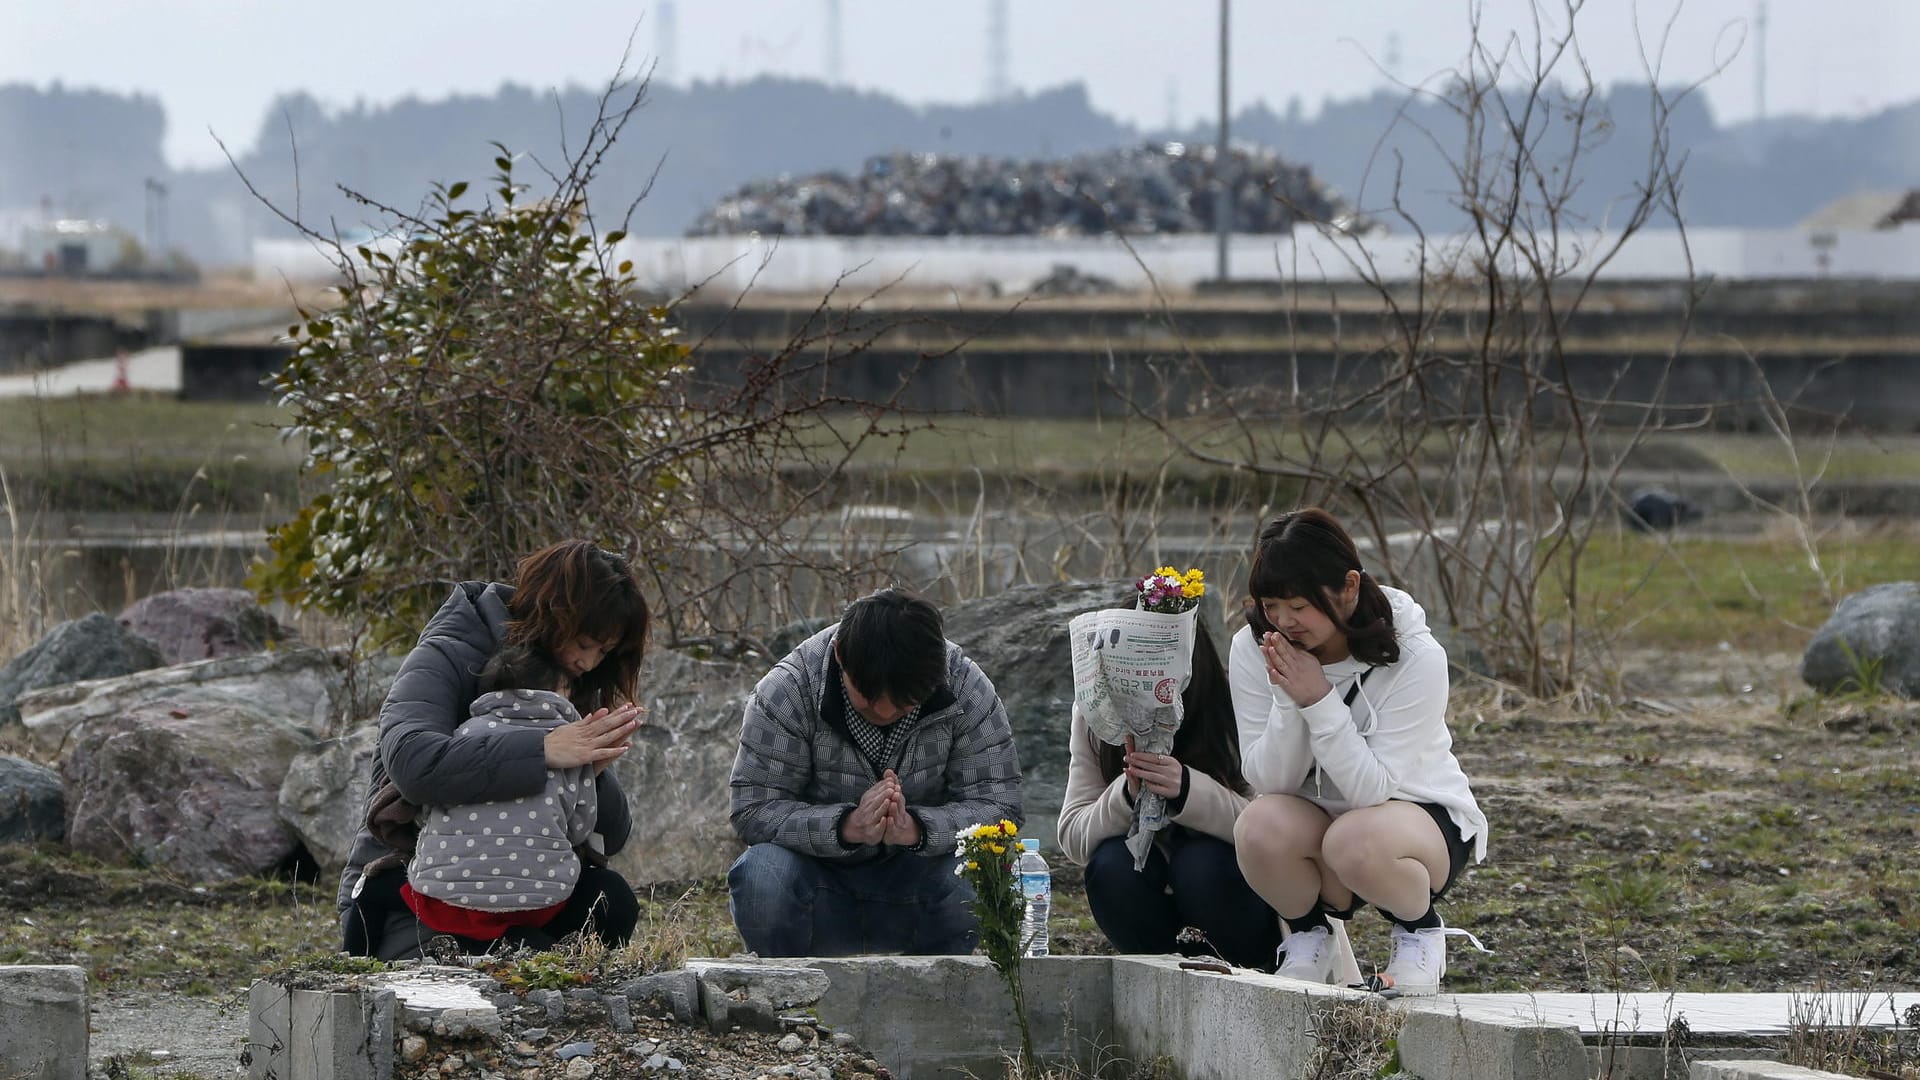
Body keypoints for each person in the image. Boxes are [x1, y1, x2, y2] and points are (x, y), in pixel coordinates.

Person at [339, 540, 649, 959]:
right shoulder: (448, 652)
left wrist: (592, 773)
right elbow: (412, 762)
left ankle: (540, 962)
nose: (590, 663)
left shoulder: (568, 681)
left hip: (528, 889)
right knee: (486, 968)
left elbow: (607, 840)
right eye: (585, 643)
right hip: (418, 888)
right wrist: (541, 752)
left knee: (611, 900)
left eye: (604, 652)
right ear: (554, 613)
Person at [1229, 508, 1489, 996]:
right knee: (1257, 824)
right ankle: (1308, 936)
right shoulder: (1255, 646)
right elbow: (1270, 782)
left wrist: (1320, 700)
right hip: (1319, 820)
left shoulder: (1415, 655)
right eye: (1271, 605)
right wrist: (1290, 696)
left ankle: (1420, 933)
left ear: (1349, 587)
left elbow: (1373, 789)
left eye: (1300, 606)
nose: (1284, 622)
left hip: (1412, 820)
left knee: (1353, 838)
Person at [727, 587, 1024, 957]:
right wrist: (846, 826)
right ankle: (787, 994)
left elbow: (1000, 804)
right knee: (761, 875)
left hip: (922, 882)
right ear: (839, 655)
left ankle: (943, 990)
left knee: (977, 873)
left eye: (903, 703)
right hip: (818, 884)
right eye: (866, 698)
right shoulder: (787, 689)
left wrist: (917, 829)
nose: (883, 712)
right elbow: (753, 808)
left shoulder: (966, 687)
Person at [1056, 612, 1282, 970]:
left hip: (1243, 905)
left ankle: (1248, 976)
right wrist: (1127, 795)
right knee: (1112, 866)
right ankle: (1156, 976)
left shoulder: (1232, 704)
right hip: (1154, 908)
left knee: (1202, 864)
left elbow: (1276, 832)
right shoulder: (1095, 711)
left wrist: (1187, 789)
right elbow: (1073, 836)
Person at [398, 644, 602, 953]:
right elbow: (580, 828)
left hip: (444, 900)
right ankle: (528, 944)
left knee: (378, 892)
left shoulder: (461, 736)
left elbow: (428, 811)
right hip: (540, 903)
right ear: (559, 691)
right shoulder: (571, 745)